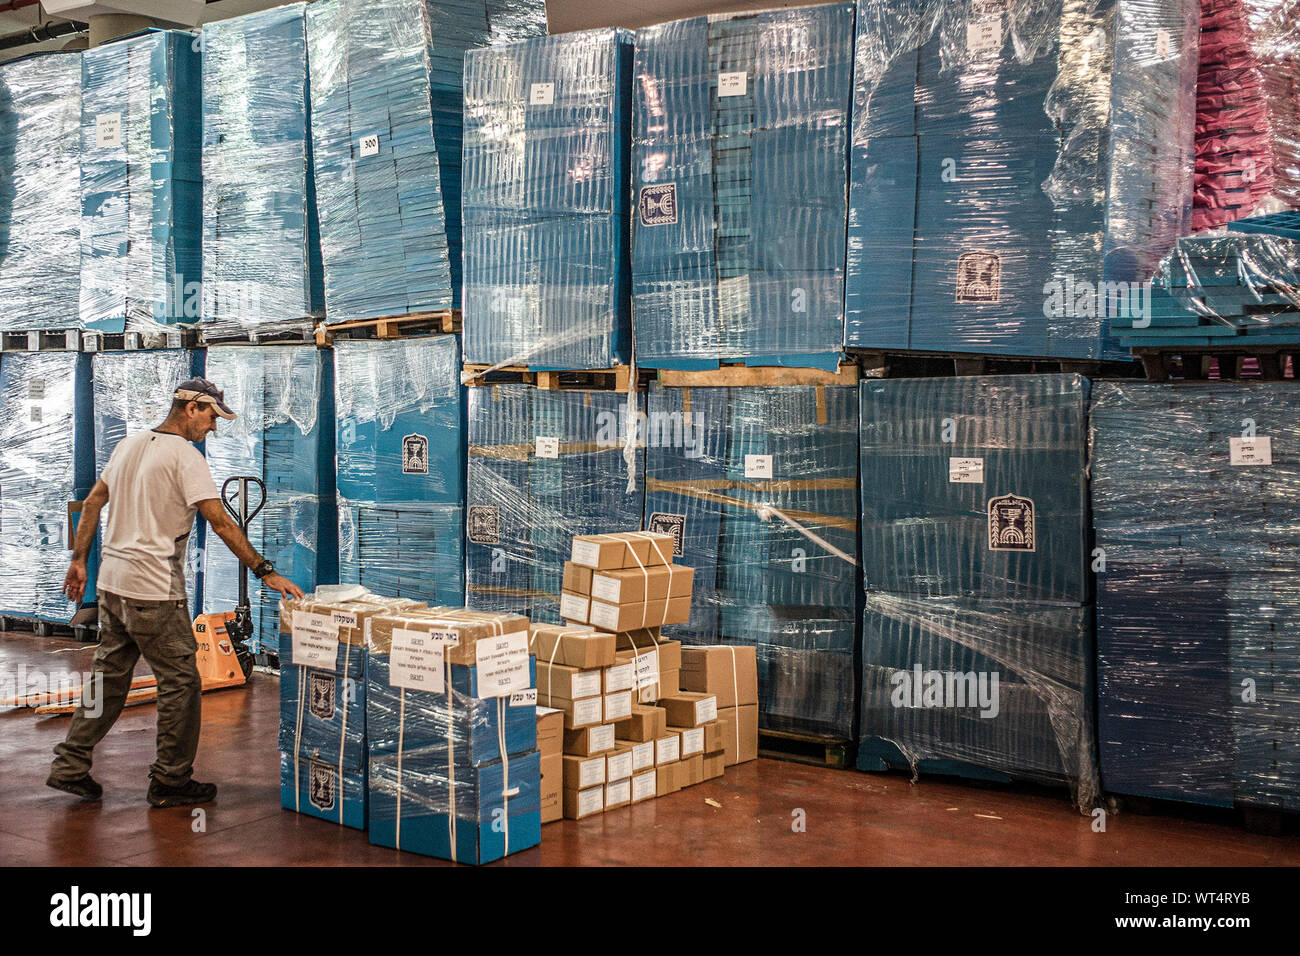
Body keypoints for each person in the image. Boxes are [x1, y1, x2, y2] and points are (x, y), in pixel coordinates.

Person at [47, 377, 305, 808]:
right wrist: (265, 571)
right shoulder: (186, 458)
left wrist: (79, 561)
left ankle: (69, 765)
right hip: (155, 593)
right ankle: (170, 780)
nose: (214, 427)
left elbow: (92, 503)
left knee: (108, 680)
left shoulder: (130, 445)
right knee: (181, 684)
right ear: (190, 408)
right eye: (211, 416)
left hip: (112, 587)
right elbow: (221, 523)